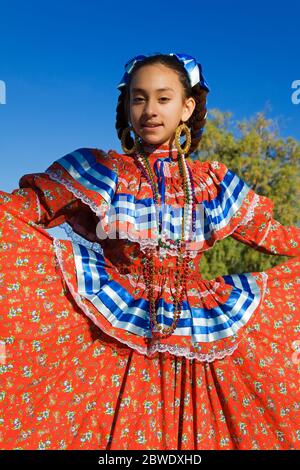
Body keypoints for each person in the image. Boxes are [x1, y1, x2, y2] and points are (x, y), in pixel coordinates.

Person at [0, 52, 299, 451]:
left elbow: (276, 237)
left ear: (187, 107)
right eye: (138, 98)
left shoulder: (212, 182)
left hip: (198, 333)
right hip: (114, 328)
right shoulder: (102, 170)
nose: (150, 110)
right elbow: (24, 209)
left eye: (163, 98)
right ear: (126, 106)